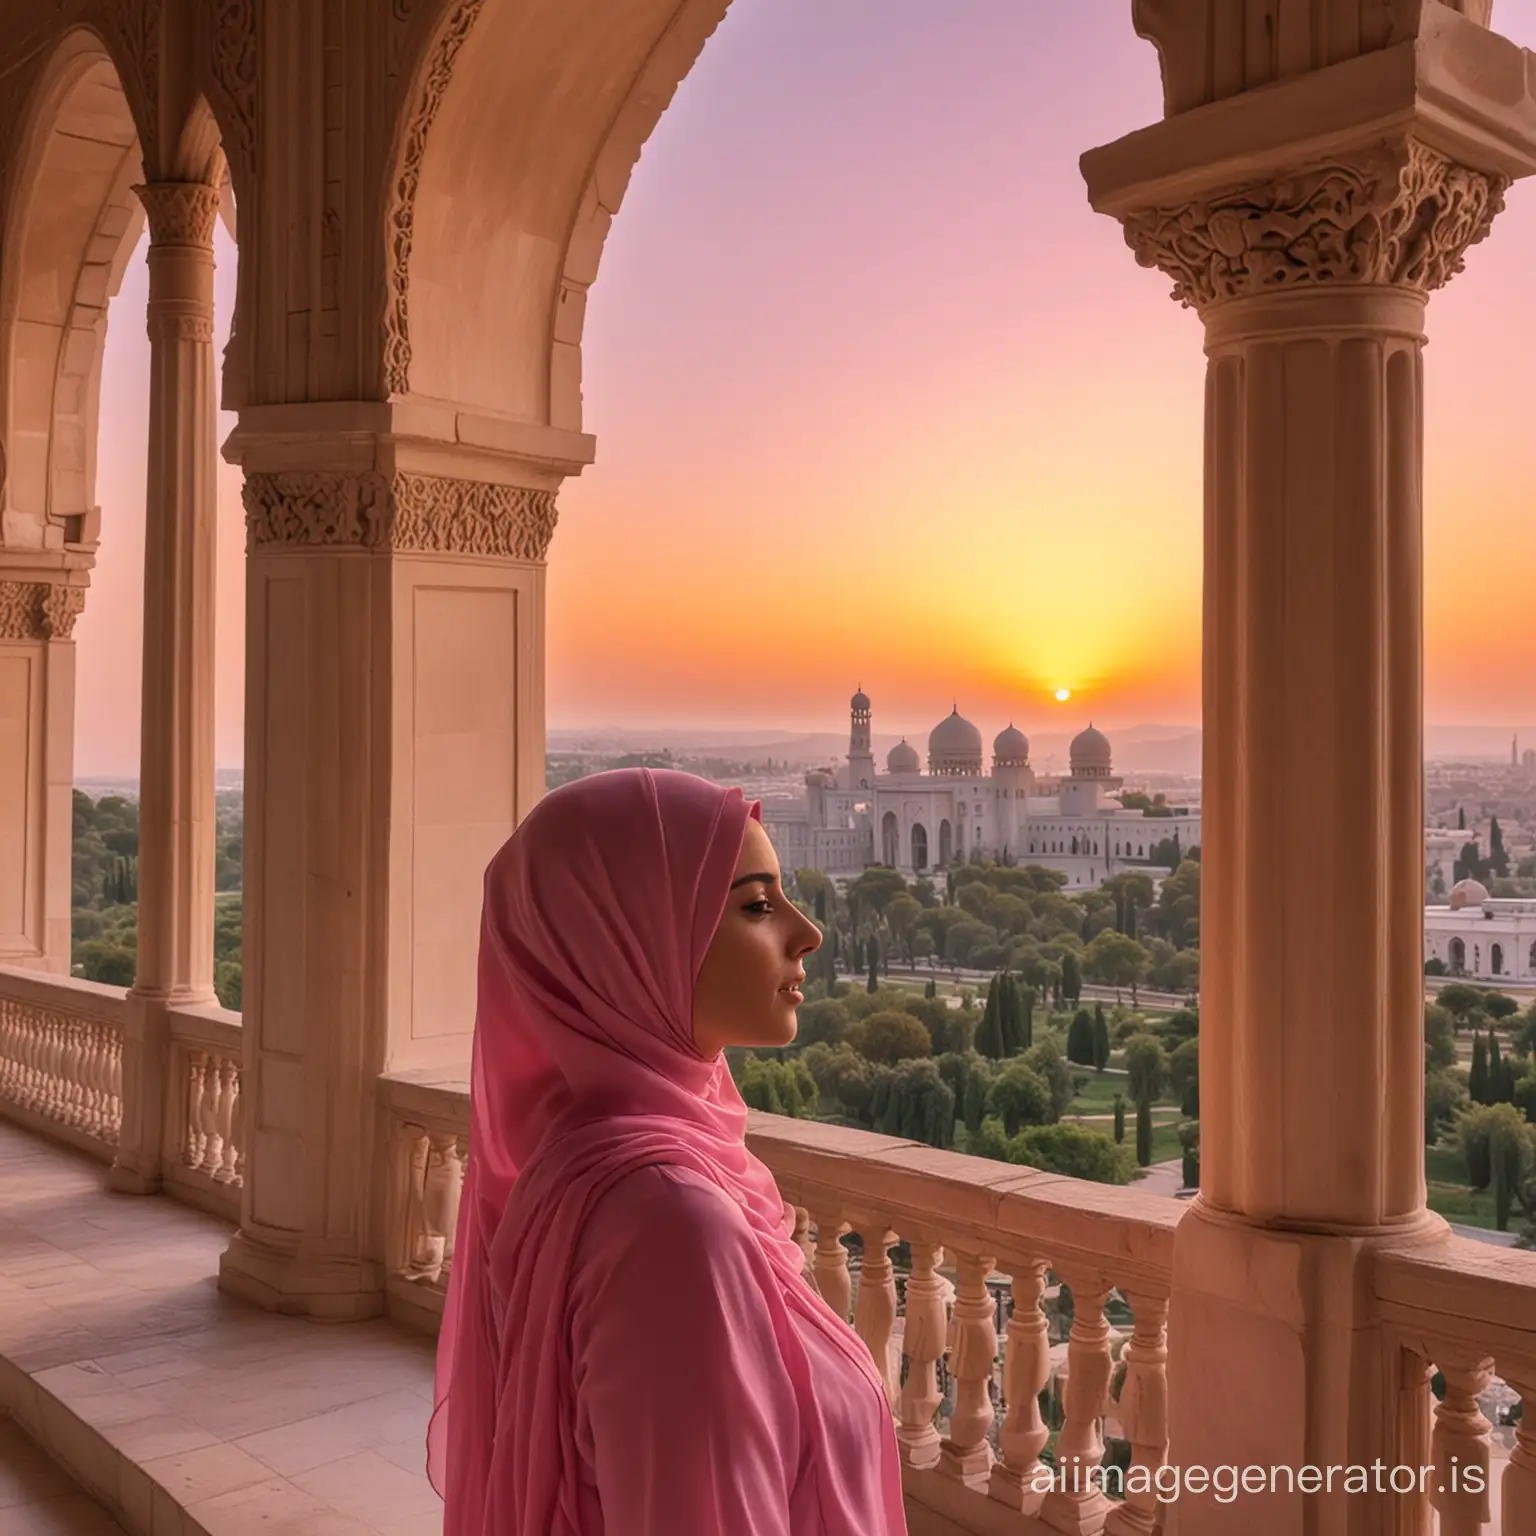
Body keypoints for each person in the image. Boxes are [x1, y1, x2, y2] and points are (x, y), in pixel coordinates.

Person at [429, 767, 908, 1536]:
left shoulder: (593, 1159)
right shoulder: (670, 1228)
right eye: (756, 905)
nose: (805, 931)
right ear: (627, 946)